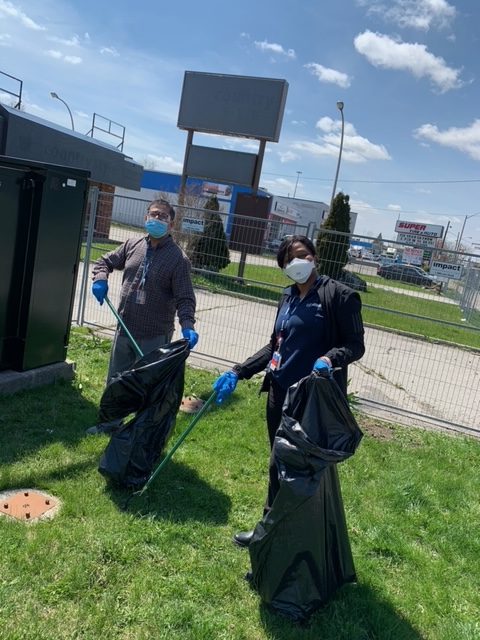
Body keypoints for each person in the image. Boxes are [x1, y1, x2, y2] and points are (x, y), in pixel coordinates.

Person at [213, 235, 365, 547]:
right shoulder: (287, 297)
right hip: (279, 393)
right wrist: (238, 371)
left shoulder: (338, 295)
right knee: (277, 464)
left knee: (303, 473)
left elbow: (355, 345)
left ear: (314, 257)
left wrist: (329, 359)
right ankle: (270, 533)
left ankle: (299, 538)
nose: (297, 262)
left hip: (311, 401)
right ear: (283, 267)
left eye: (303, 254)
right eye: (289, 259)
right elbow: (275, 346)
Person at [87, 198, 198, 435]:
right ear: (146, 217)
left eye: (163, 216)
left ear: (171, 224)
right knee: (116, 380)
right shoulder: (132, 244)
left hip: (155, 336)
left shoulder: (178, 259)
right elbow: (105, 261)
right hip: (125, 328)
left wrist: (188, 325)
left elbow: (185, 298)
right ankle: (109, 424)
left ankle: (141, 432)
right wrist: (100, 279)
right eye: (153, 214)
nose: (156, 219)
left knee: (148, 386)